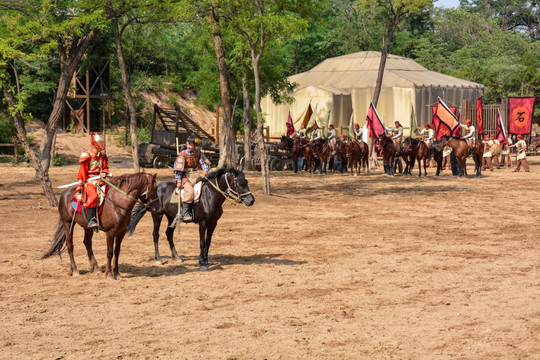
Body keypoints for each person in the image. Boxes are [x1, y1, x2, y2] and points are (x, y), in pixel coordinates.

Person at [76, 132, 109, 229]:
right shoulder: (88, 155)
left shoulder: (102, 155)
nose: (102, 145)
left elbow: (105, 167)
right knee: (93, 196)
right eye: (101, 143)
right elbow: (82, 171)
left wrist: (104, 172)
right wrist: (81, 184)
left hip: (101, 179)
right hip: (90, 181)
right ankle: (91, 220)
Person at [174, 135, 211, 222]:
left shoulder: (199, 153)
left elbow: (204, 164)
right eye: (187, 144)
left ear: (194, 145)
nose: (188, 146)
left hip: (197, 175)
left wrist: (205, 170)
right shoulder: (182, 154)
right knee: (190, 191)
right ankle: (186, 213)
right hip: (185, 176)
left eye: (190, 144)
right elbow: (179, 170)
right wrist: (179, 182)